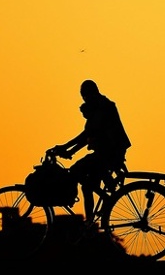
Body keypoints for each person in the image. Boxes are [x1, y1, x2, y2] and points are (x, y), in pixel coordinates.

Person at [52, 80, 131, 223]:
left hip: (110, 153)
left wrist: (66, 148)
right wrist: (68, 149)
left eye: (85, 95)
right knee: (87, 186)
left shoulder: (103, 108)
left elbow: (87, 134)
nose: (84, 98)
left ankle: (102, 206)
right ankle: (90, 223)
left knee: (77, 170)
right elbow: (87, 136)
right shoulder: (98, 107)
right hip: (104, 153)